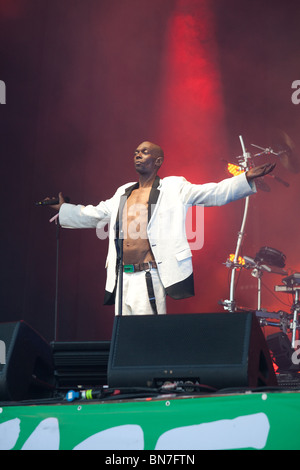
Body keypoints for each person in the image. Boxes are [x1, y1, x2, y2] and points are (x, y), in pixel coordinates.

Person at [50, 141, 275, 316]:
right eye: (136, 152)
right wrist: (65, 210)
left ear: (158, 161)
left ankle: (151, 377)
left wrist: (244, 178)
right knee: (124, 339)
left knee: (148, 337)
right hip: (122, 276)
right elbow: (96, 214)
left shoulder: (173, 186)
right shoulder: (123, 191)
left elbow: (212, 192)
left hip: (149, 275)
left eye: (145, 151)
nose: (138, 154)